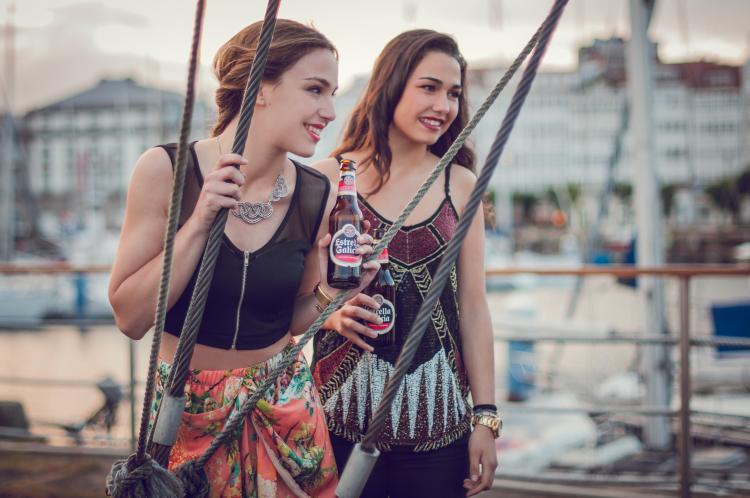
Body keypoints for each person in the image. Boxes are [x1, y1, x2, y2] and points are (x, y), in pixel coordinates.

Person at [108, 19, 379, 498]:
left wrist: (333, 292)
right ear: (261, 86)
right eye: (315, 89)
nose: (330, 111)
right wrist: (199, 221)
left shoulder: (317, 193)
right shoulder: (167, 171)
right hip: (185, 413)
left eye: (333, 93)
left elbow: (291, 321)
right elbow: (130, 318)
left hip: (287, 408)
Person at [311, 29, 500, 497]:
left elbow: (474, 307)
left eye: (453, 93)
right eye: (429, 87)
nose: (444, 105)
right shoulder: (328, 180)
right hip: (337, 416)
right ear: (391, 85)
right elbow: (294, 296)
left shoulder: (460, 183)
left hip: (440, 424)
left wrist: (486, 418)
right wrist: (332, 314)